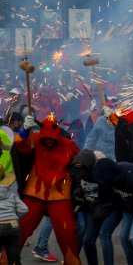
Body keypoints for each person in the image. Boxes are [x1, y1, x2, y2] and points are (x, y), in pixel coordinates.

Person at [14, 113, 81, 264]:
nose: (49, 141)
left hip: (59, 193)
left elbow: (79, 162)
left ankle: (72, 262)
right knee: (21, 226)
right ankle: (7, 259)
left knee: (67, 232)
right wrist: (24, 129)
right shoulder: (36, 139)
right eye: (47, 138)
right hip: (35, 191)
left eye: (52, 138)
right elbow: (18, 145)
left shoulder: (68, 145)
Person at [71, 149, 121, 265]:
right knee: (87, 241)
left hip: (111, 208)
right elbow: (83, 188)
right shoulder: (79, 170)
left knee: (104, 235)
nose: (80, 175)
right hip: (95, 209)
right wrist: (78, 192)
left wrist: (100, 210)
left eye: (83, 172)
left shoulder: (103, 172)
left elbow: (114, 196)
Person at [0, 182, 28, 265]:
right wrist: (14, 217)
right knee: (14, 258)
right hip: (13, 225)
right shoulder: (11, 195)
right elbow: (24, 209)